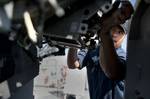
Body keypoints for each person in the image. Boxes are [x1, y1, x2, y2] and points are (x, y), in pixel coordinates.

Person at [67, 1, 134, 99]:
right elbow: (73, 64)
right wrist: (74, 39)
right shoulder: (92, 51)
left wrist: (105, 33)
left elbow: (113, 71)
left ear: (124, 36)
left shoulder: (124, 57)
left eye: (120, 31)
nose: (115, 33)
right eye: (114, 28)